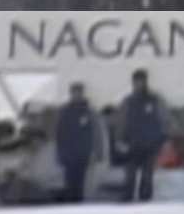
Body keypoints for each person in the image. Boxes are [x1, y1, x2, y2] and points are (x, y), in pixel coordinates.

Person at [116, 70, 173, 203]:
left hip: (151, 143)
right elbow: (121, 121)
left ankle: (145, 198)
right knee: (130, 173)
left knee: (148, 174)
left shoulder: (155, 100)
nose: (138, 84)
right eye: (136, 81)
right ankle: (127, 197)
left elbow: (165, 118)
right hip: (133, 143)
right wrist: (120, 138)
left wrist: (165, 137)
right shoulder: (128, 101)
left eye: (141, 81)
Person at [55, 82, 103, 202]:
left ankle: (78, 204)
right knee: (69, 182)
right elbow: (59, 134)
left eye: (78, 92)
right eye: (74, 92)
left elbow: (96, 132)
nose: (76, 95)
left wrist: (98, 151)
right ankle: (70, 204)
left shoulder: (89, 111)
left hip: (83, 152)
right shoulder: (64, 111)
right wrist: (59, 153)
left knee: (80, 182)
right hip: (68, 153)